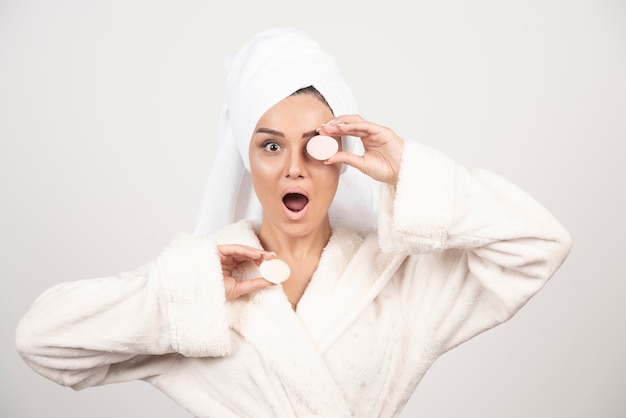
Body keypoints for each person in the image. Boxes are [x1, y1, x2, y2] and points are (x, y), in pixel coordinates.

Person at [15, 28, 572, 417]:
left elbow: (542, 245)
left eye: (316, 145)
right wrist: (184, 294)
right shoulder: (205, 290)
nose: (294, 170)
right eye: (271, 146)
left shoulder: (396, 279)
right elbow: (41, 341)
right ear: (246, 156)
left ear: (343, 152)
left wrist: (409, 172)